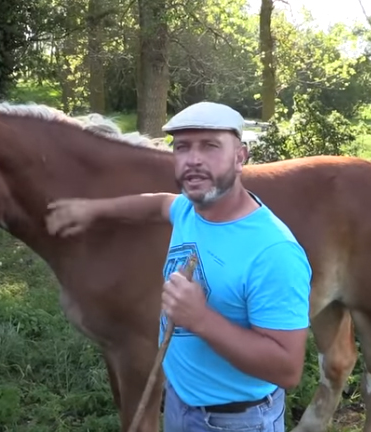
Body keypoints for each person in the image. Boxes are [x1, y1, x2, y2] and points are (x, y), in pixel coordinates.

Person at [45, 101, 312, 432]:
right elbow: (156, 205)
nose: (193, 159)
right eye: (182, 147)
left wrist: (200, 319)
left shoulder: (273, 251)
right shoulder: (189, 210)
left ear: (240, 156)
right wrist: (93, 210)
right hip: (180, 402)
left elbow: (287, 369)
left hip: (236, 420)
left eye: (210, 146)